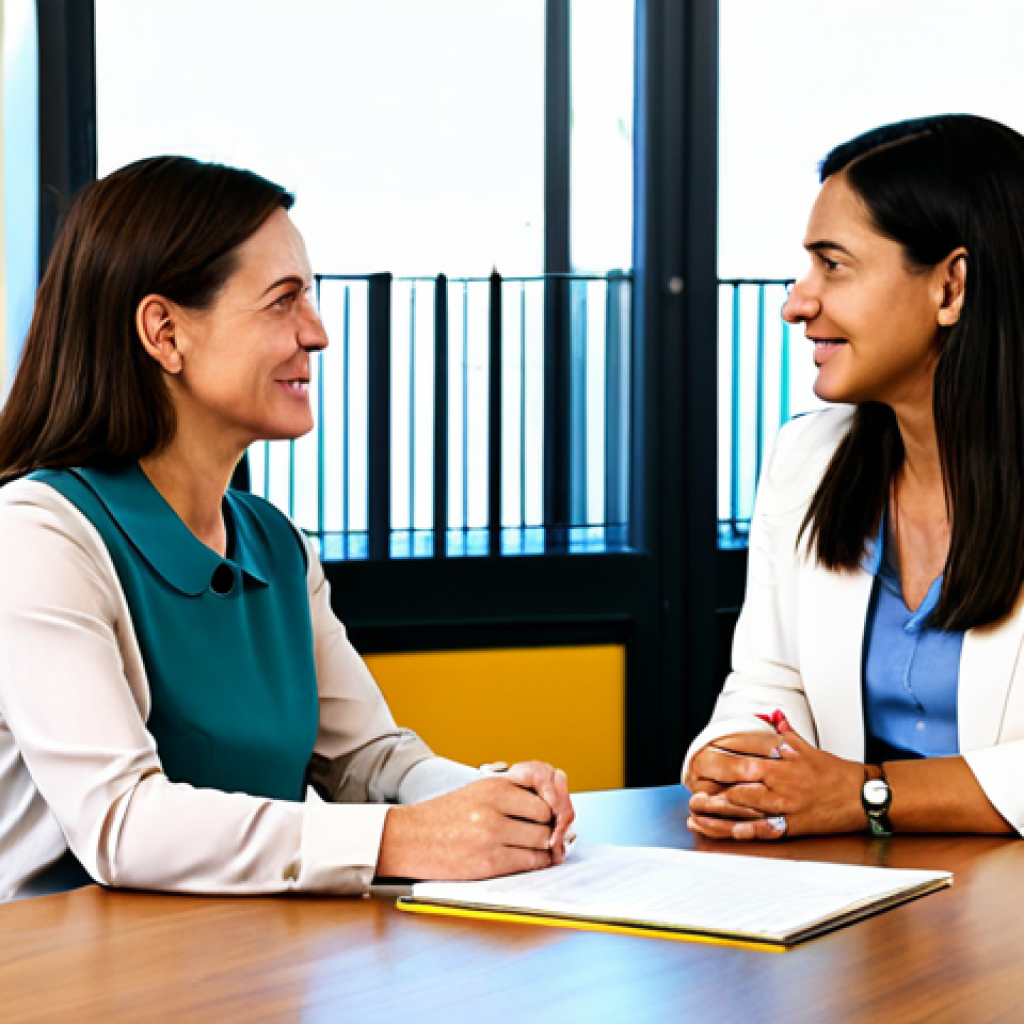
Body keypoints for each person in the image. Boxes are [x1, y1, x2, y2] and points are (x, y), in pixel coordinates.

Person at [0, 156, 573, 901]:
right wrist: (406, 838)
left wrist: (490, 803)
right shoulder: (38, 537)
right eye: (282, 302)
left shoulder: (275, 542)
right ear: (164, 333)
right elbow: (122, 823)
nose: (318, 333)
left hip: (242, 972)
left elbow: (367, 759)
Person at [684, 114, 1024, 841]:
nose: (796, 303)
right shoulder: (805, 461)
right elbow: (768, 684)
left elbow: (847, 793)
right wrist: (736, 760)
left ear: (951, 287)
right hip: (856, 901)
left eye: (832, 265)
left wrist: (866, 795)